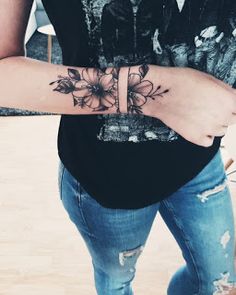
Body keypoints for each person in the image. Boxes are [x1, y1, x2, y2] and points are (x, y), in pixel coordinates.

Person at [0, 0, 236, 294]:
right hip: (105, 178)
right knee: (116, 282)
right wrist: (157, 94)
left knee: (218, 282)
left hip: (201, 160)